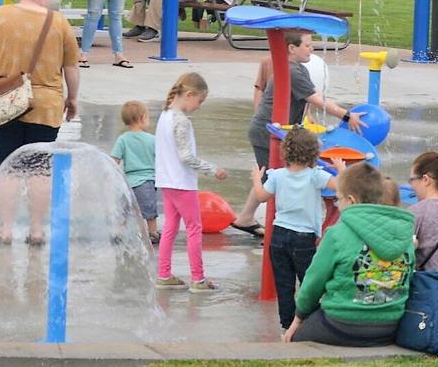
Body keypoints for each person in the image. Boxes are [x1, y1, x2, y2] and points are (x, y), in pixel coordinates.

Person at [0, 0, 79, 242]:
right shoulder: (59, 22)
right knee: (39, 169)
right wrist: (73, 98)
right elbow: (72, 69)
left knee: (7, 168)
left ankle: (5, 229)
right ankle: (36, 229)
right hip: (45, 104)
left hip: (4, 101)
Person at [232, 29, 365, 236]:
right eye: (307, 45)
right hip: (267, 132)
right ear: (292, 48)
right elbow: (317, 100)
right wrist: (347, 116)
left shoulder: (295, 69)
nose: (311, 48)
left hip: (273, 130)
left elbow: (304, 100)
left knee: (270, 175)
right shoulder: (293, 71)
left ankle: (246, 218)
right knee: (280, 177)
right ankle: (280, 227)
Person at [286, 162, 415, 345]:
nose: (337, 204)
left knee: (295, 341)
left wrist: (299, 317)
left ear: (351, 200)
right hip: (390, 326)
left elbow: (313, 283)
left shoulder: (336, 234)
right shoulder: (403, 234)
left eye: (338, 199)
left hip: (342, 323)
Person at [249, 128, 342, 331]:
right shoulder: (315, 176)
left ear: (286, 151)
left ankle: (287, 325)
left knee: (284, 285)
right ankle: (309, 323)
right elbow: (341, 187)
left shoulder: (278, 175)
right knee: (309, 283)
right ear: (313, 153)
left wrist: (257, 178)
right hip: (304, 239)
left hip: (278, 236)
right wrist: (341, 169)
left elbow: (261, 196)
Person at [153, 72, 227, 292]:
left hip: (166, 180)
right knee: (194, 228)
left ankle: (163, 273)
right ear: (189, 94)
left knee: (170, 227)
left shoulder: (164, 115)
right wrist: (213, 170)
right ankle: (198, 279)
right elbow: (186, 157)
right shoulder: (181, 121)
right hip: (182, 183)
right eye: (200, 101)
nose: (199, 106)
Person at [111, 101, 159, 244]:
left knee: (124, 208)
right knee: (150, 210)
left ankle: (119, 232)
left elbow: (114, 160)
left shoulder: (123, 139)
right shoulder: (152, 140)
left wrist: (114, 176)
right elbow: (162, 160)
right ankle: (152, 233)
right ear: (142, 117)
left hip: (128, 182)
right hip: (147, 181)